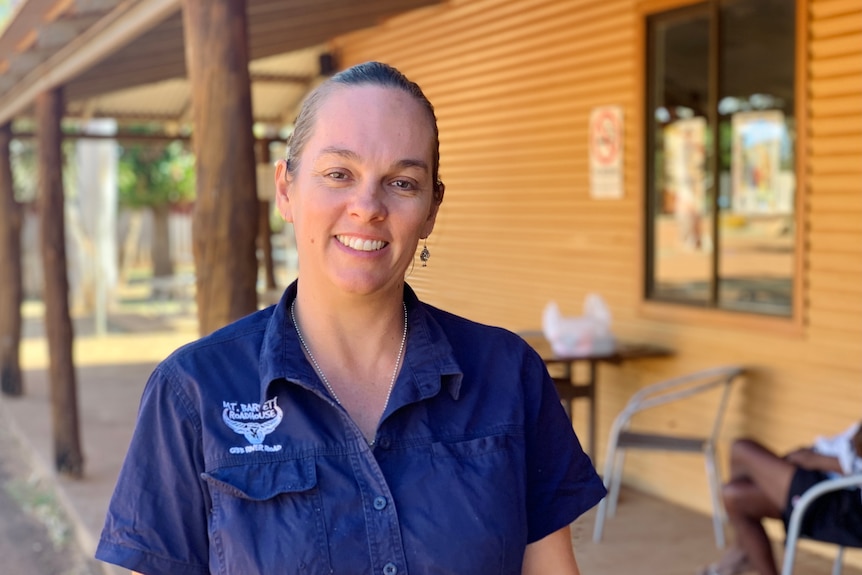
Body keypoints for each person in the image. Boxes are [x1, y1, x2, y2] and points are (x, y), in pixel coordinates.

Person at [95, 61, 606, 575]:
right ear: (286, 189)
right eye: (339, 174)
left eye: (402, 183)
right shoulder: (192, 391)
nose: (367, 206)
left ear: (431, 209)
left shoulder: (507, 376)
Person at [699, 421, 862, 575]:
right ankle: (743, 548)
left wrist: (819, 460)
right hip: (828, 484)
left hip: (843, 508)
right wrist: (812, 453)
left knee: (741, 448)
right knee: (734, 496)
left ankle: (743, 549)